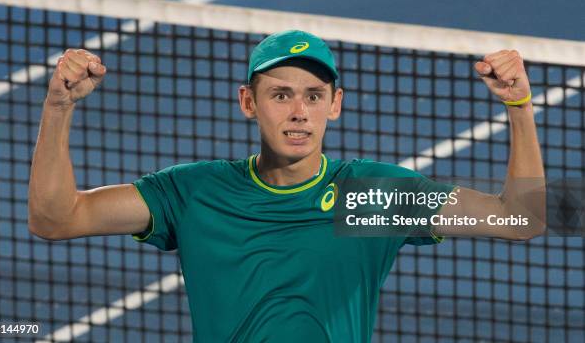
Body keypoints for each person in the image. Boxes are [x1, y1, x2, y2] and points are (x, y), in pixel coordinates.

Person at [28, 30, 545, 342]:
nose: (299, 112)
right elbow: (56, 218)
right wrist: (57, 108)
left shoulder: (368, 196)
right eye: (280, 94)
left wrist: (519, 106)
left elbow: (522, 219)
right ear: (248, 102)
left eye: (314, 96)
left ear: (335, 105)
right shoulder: (194, 193)